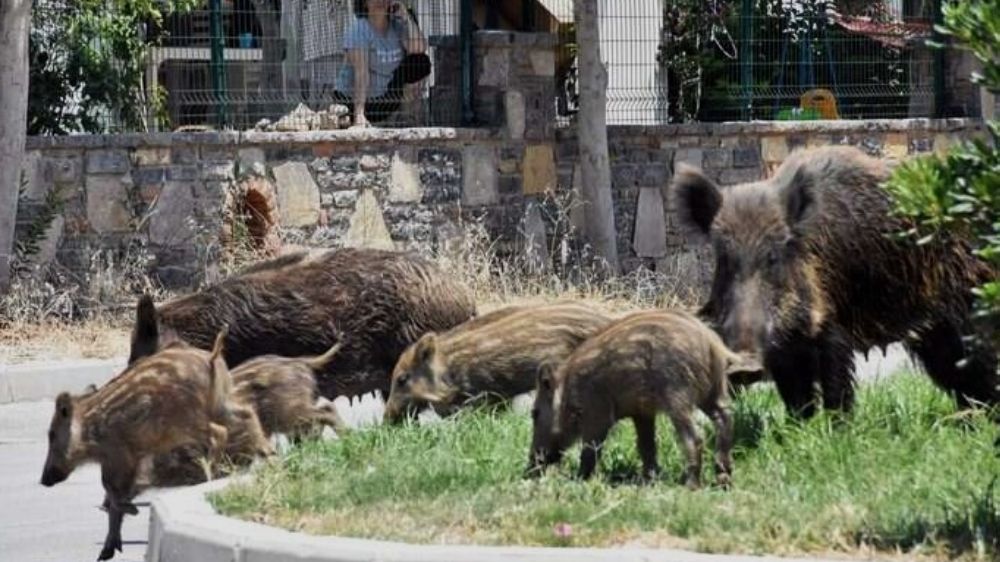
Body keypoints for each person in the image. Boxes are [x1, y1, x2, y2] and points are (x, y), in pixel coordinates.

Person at [333, 0, 430, 127]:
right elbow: (361, 73)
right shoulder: (358, 30)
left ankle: (409, 116)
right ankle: (357, 117)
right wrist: (359, 114)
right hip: (353, 101)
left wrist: (406, 17)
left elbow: (419, 48)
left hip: (384, 99)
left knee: (421, 63)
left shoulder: (398, 26)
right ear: (364, 3)